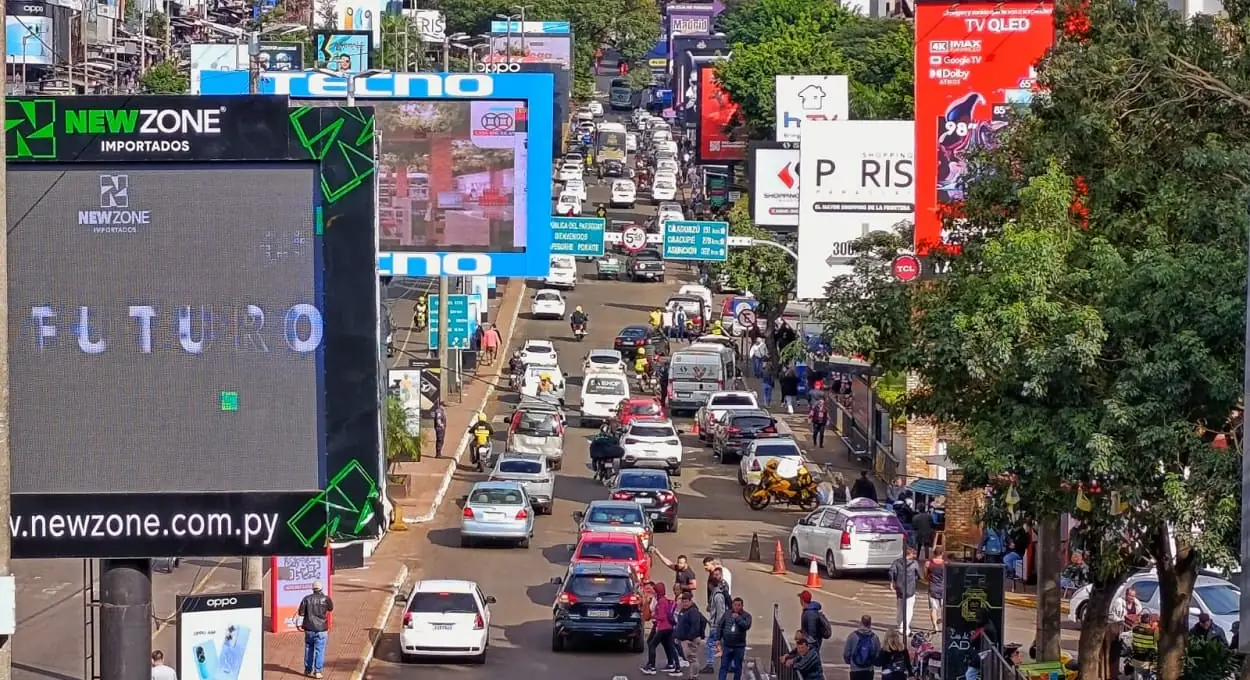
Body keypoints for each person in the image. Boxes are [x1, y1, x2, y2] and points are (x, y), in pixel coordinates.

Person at [641, 582, 682, 676]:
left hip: (663, 627)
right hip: (669, 627)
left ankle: (652, 666)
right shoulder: (665, 600)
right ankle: (676, 666)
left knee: (652, 644)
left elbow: (662, 616)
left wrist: (654, 616)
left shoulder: (661, 601)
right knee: (670, 645)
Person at [298, 581, 334, 678]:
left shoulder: (306, 599)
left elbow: (301, 612)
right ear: (321, 589)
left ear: (313, 589)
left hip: (309, 628)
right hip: (321, 629)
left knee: (308, 648)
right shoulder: (326, 599)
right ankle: (318, 671)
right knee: (320, 650)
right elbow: (330, 608)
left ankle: (307, 669)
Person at [888, 547, 923, 636]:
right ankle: (904, 627)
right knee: (909, 609)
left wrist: (892, 582)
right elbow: (919, 575)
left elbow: (891, 571)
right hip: (910, 588)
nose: (914, 555)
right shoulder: (914, 563)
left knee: (900, 608)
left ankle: (900, 624)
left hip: (900, 588)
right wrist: (916, 578)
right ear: (909, 554)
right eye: (913, 554)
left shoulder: (897, 562)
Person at [674, 592, 708, 680]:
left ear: (690, 601)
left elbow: (695, 626)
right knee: (690, 658)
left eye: (686, 602)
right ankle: (691, 676)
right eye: (683, 602)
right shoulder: (683, 611)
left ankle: (694, 677)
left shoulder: (693, 611)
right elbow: (680, 625)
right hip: (684, 639)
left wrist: (690, 638)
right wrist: (677, 636)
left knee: (692, 658)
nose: (685, 604)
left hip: (691, 640)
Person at [703, 567, 731, 675]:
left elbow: (721, 612)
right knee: (724, 645)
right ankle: (730, 664)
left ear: (711, 585)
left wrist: (718, 626)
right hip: (717, 624)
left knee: (711, 643)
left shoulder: (718, 595)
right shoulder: (716, 594)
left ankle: (710, 664)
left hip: (717, 625)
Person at [715, 597, 751, 680]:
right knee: (724, 666)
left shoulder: (747, 616)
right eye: (734, 605)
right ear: (732, 605)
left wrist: (738, 618)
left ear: (742, 606)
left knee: (738, 667)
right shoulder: (727, 614)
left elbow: (746, 625)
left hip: (739, 646)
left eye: (738, 605)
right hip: (727, 645)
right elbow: (720, 626)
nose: (736, 607)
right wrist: (718, 638)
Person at [843, 614, 881, 680]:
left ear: (861, 622)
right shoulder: (875, 638)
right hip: (868, 669)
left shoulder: (852, 636)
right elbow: (878, 654)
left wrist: (850, 662)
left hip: (855, 669)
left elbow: (846, 653)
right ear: (870, 623)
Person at [1128, 611, 1158, 680]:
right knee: (1146, 677)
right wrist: (1154, 625)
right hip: (1146, 662)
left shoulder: (1135, 629)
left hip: (1135, 660)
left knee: (1137, 676)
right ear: (1150, 621)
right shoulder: (1152, 632)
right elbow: (1156, 643)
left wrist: (1138, 619)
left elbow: (1135, 624)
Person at [924, 545, 947, 630]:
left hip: (932, 588)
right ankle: (944, 625)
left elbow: (925, 576)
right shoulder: (945, 564)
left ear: (934, 553)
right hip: (943, 588)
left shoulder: (928, 563)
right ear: (942, 553)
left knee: (933, 608)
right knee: (944, 608)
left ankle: (935, 627)